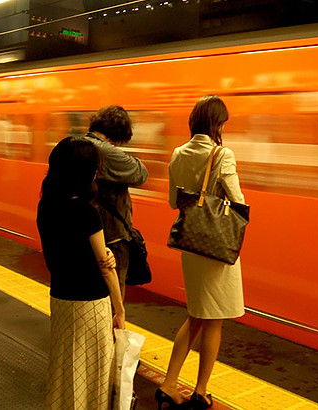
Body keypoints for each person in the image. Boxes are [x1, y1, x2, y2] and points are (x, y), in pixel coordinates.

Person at [156, 95, 246, 410]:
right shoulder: (223, 155)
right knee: (214, 320)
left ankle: (169, 383)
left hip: (191, 246)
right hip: (215, 247)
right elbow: (237, 199)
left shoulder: (178, 154)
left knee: (196, 315)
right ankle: (201, 390)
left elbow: (172, 202)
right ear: (216, 123)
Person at [36, 136, 125, 409]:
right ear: (88, 172)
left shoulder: (46, 205)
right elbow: (105, 266)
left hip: (61, 299)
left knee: (65, 368)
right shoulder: (86, 212)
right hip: (90, 304)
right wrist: (119, 309)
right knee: (92, 374)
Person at [83, 105, 148, 299]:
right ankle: (113, 325)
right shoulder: (104, 150)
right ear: (117, 132)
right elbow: (140, 172)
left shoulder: (78, 144)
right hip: (112, 236)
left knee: (92, 292)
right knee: (112, 293)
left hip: (88, 234)